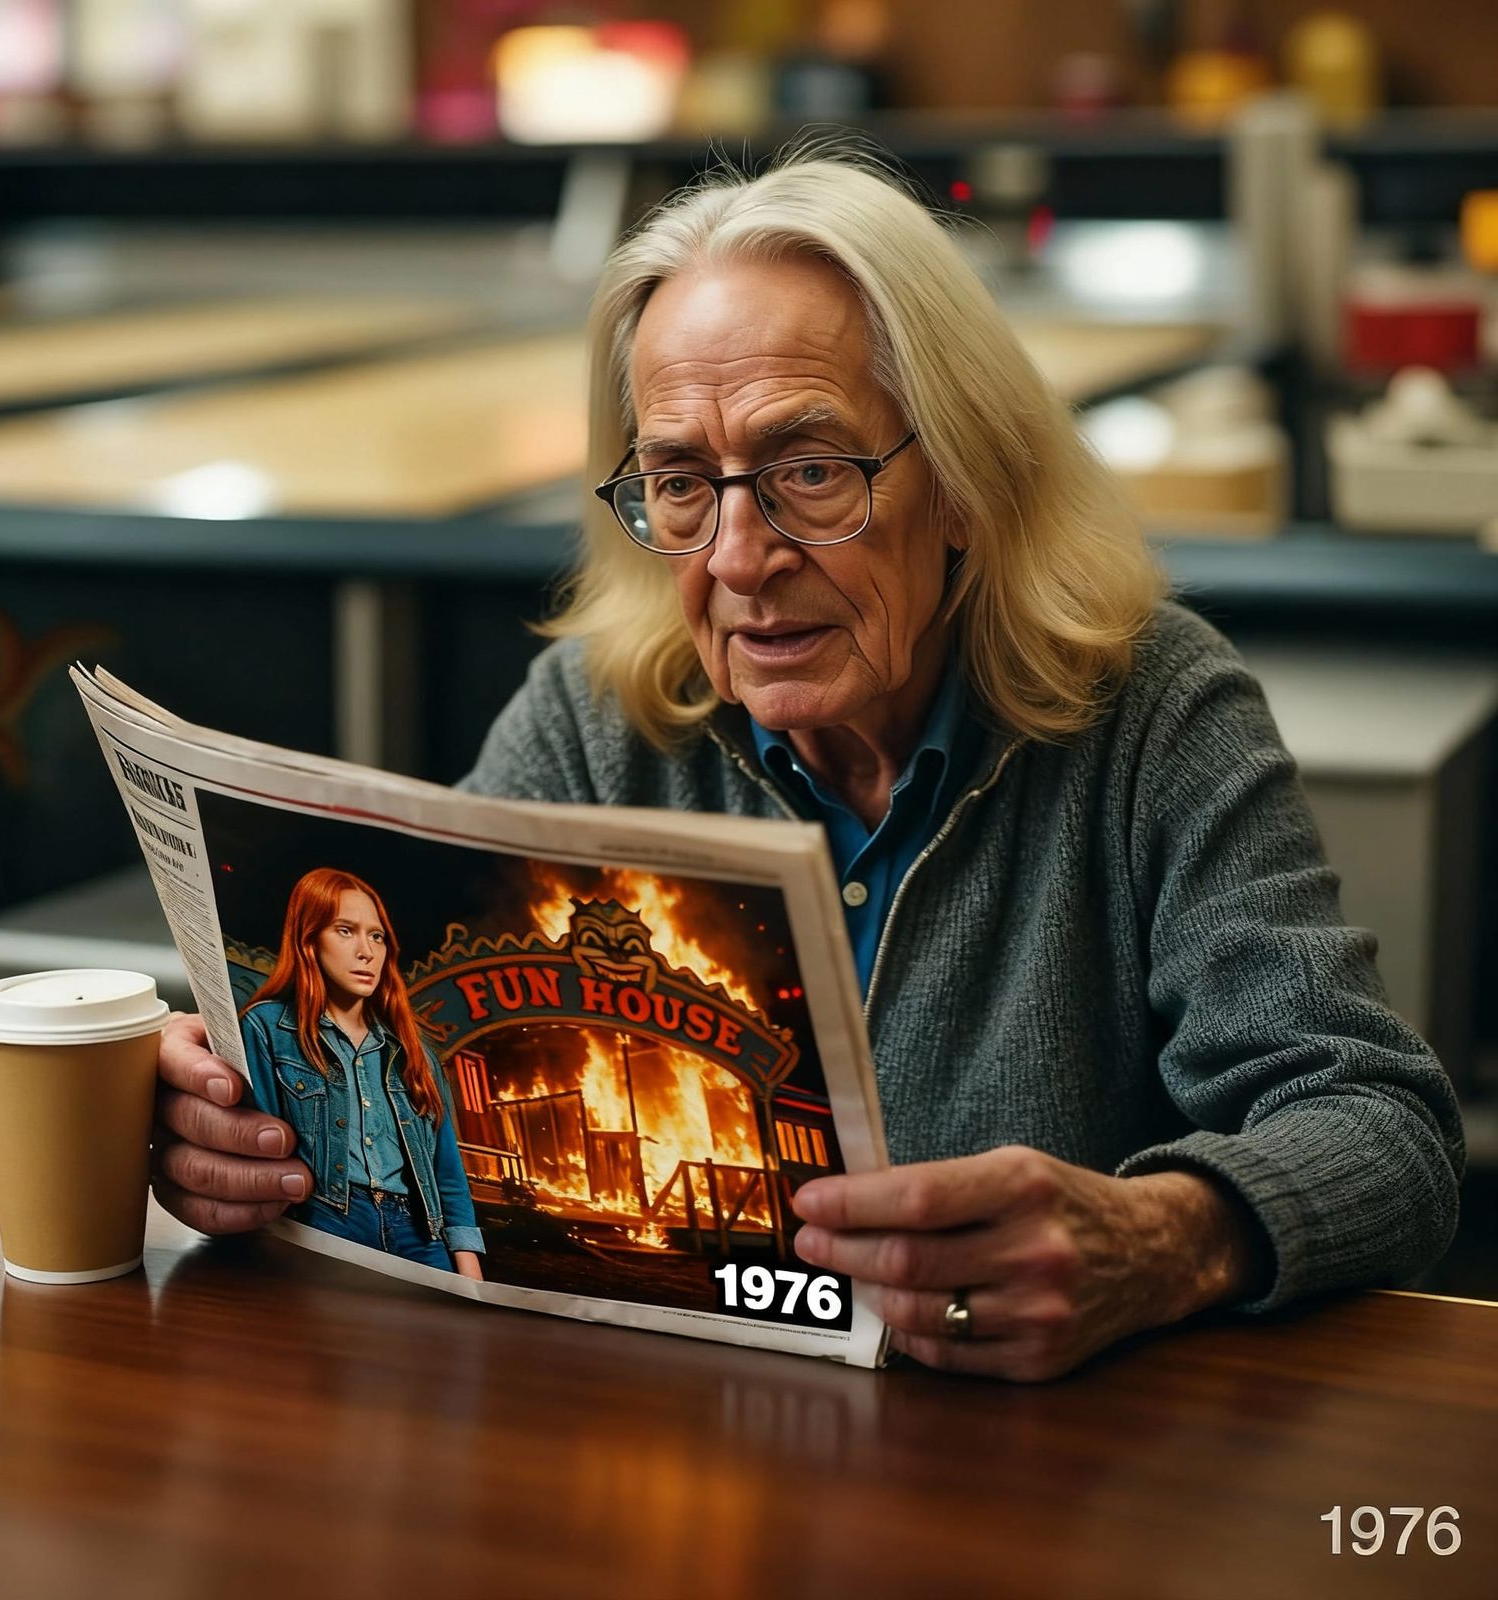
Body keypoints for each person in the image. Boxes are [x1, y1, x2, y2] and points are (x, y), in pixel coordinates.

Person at [153, 144, 1461, 1379]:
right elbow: (425, 1069)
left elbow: (1381, 1129)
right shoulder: (601, 716)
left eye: (813, 470)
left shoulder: (1153, 716)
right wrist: (233, 1119)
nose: (738, 558)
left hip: (1035, 1464)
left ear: (964, 480)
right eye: (682, 482)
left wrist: (1165, 1237)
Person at [236, 867, 484, 1278]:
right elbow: (258, 1153)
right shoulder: (267, 1028)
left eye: (377, 936)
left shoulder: (414, 1052)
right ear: (309, 940)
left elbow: (447, 1167)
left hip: (418, 1231)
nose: (366, 951)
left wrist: (467, 1262)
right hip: (326, 1218)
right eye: (345, 931)